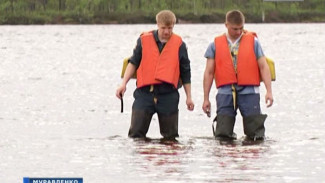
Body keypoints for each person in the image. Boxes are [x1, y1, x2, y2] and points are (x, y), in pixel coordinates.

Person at [116, 10, 194, 140]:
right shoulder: (143, 40)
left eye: (170, 28)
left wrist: (189, 97)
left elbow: (186, 72)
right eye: (163, 28)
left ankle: (166, 159)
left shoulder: (180, 45)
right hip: (145, 93)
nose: (167, 32)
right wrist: (123, 84)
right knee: (136, 136)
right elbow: (133, 62)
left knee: (170, 139)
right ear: (157, 24)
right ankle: (141, 160)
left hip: (168, 94)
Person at [202, 10, 273, 141]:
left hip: (249, 91)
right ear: (226, 25)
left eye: (241, 28)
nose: (239, 32)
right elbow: (209, 72)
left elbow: (264, 66)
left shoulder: (254, 42)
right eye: (235, 29)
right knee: (223, 135)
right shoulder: (214, 45)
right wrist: (206, 98)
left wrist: (269, 91)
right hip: (225, 92)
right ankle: (228, 158)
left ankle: (249, 158)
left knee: (255, 135)